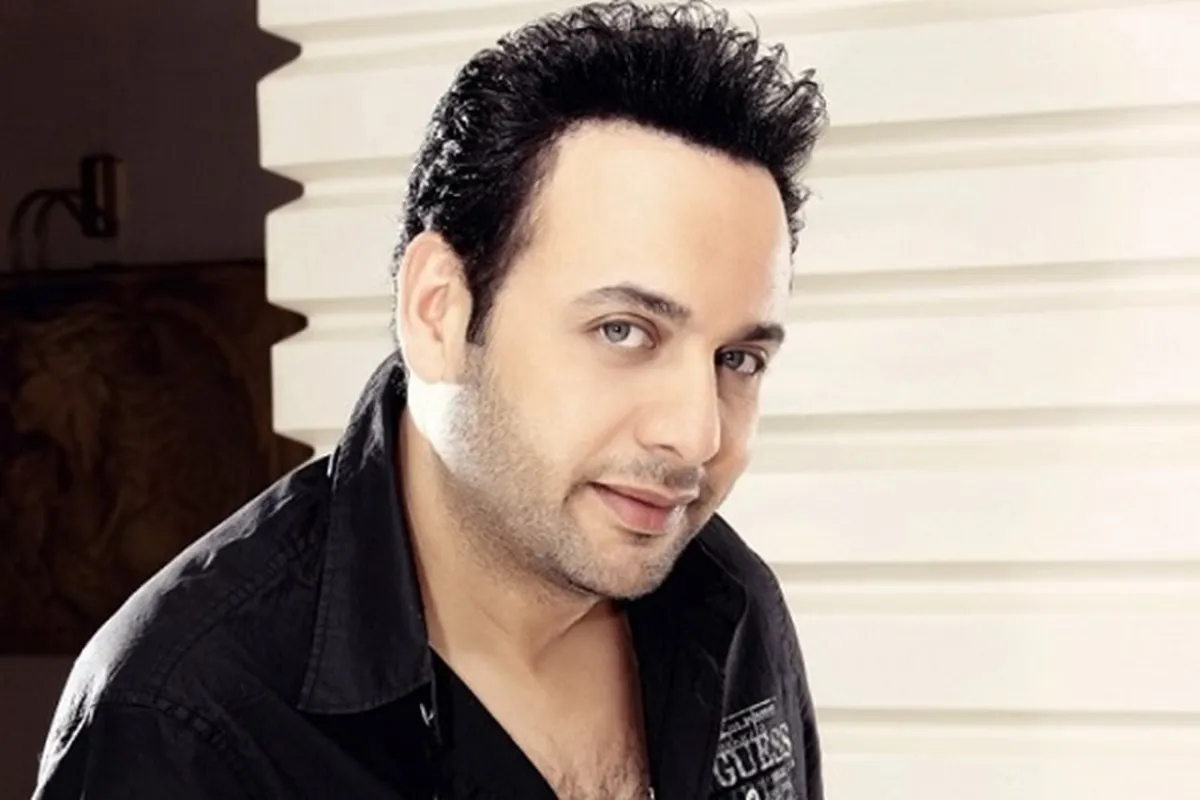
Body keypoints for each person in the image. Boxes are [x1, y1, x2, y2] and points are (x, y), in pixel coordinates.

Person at [32, 1, 828, 797]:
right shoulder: (181, 719)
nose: (696, 435)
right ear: (438, 311)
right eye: (623, 331)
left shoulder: (732, 604)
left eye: (739, 359)